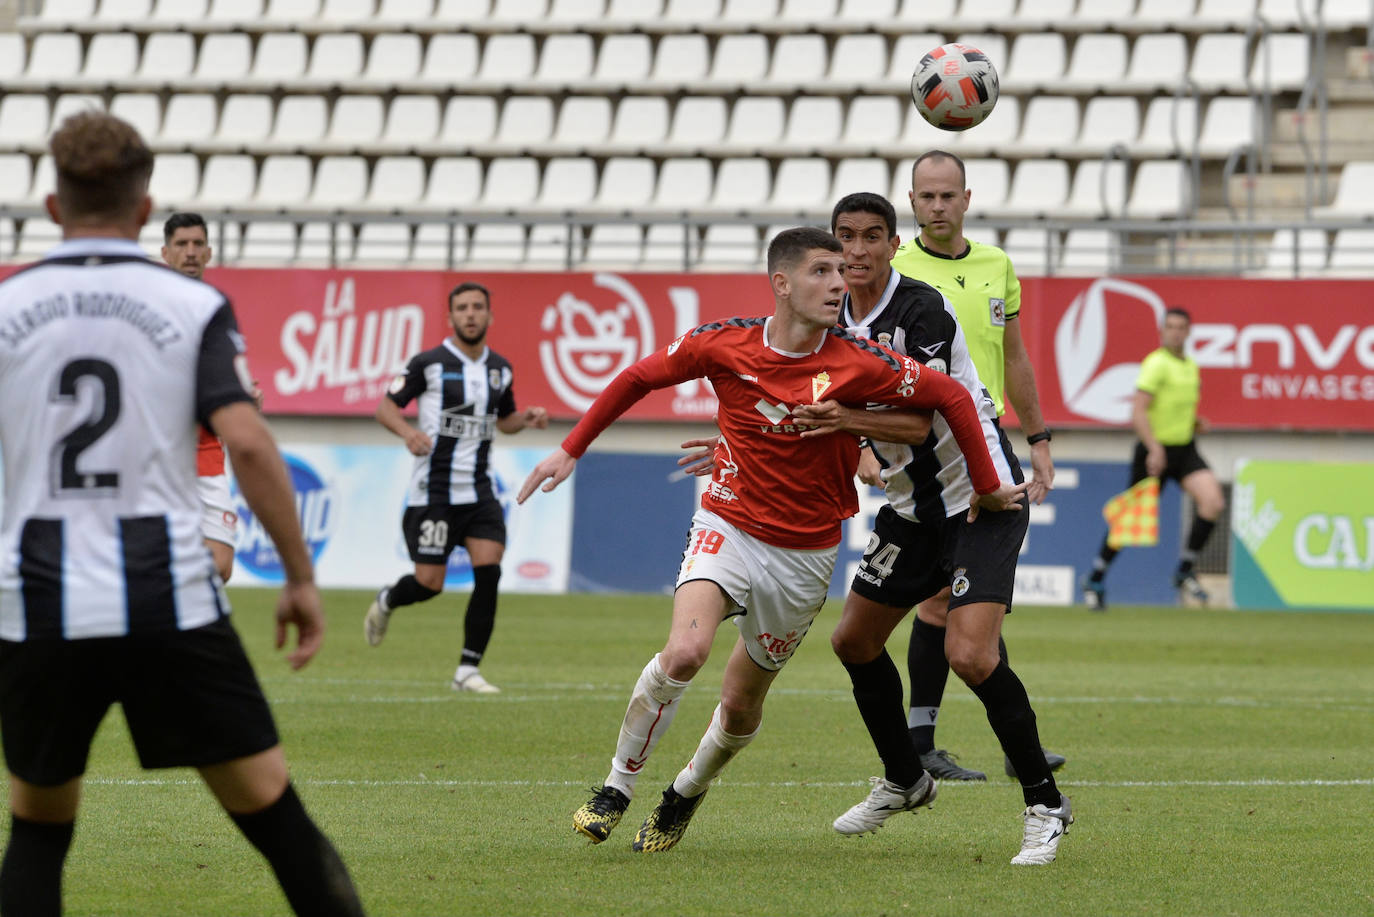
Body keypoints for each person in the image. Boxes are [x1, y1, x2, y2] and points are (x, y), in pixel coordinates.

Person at [518, 227, 1026, 854]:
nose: (839, 283)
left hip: (804, 555)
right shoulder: (722, 343)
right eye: (822, 271)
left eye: (842, 272)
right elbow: (638, 376)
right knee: (684, 654)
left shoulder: (855, 361)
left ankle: (684, 792)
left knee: (739, 706)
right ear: (782, 284)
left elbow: (947, 394)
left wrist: (983, 482)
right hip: (727, 524)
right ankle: (616, 789)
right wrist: (571, 449)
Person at [0, 112, 363, 916]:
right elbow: (251, 444)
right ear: (144, 211)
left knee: (36, 831)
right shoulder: (190, 307)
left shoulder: (8, 303)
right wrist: (300, 575)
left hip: (37, 601)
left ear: (54, 209)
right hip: (166, 595)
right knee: (278, 819)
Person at [806, 192, 1071, 866]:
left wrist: (844, 425)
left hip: (983, 498)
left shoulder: (918, 309)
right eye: (845, 238)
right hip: (912, 510)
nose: (858, 251)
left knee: (972, 655)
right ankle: (906, 777)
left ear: (896, 244)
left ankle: (1045, 804)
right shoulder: (824, 320)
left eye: (872, 236)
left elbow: (920, 419)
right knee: (854, 641)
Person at [890, 150, 1066, 783]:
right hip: (924, 447)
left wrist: (1039, 437)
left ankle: (941, 741)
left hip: (988, 442)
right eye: (926, 196)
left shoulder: (997, 266)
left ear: (967, 199)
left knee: (976, 594)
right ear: (912, 203)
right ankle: (925, 741)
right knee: (945, 595)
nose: (937, 206)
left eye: (948, 195)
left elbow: (1013, 358)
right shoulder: (892, 269)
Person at [363, 281, 549, 694]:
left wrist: (527, 418)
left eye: (477, 307)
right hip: (434, 492)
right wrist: (407, 433)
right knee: (429, 584)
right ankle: (388, 600)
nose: (470, 314)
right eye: (462, 307)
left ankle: (467, 670)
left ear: (489, 316)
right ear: (450, 317)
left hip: (480, 492)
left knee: (490, 570)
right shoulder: (428, 363)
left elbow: (505, 420)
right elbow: (385, 407)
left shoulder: (500, 368)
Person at [1083, 307, 1224, 610]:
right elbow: (1138, 411)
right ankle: (1095, 577)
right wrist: (1154, 448)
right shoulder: (1155, 364)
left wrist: (1195, 423)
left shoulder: (1190, 366)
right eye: (1170, 326)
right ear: (1162, 331)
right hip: (1154, 452)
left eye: (1180, 327)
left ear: (1188, 332)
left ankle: (1185, 570)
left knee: (1213, 502)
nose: (1175, 332)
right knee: (1130, 521)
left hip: (1184, 449)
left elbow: (1173, 408)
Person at [160, 211, 238, 583]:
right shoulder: (150, 307)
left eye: (197, 245)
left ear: (209, 253)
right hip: (158, 453)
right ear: (166, 253)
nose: (190, 252)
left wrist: (243, 395)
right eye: (181, 245)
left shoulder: (216, 309)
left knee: (220, 565)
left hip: (207, 452)